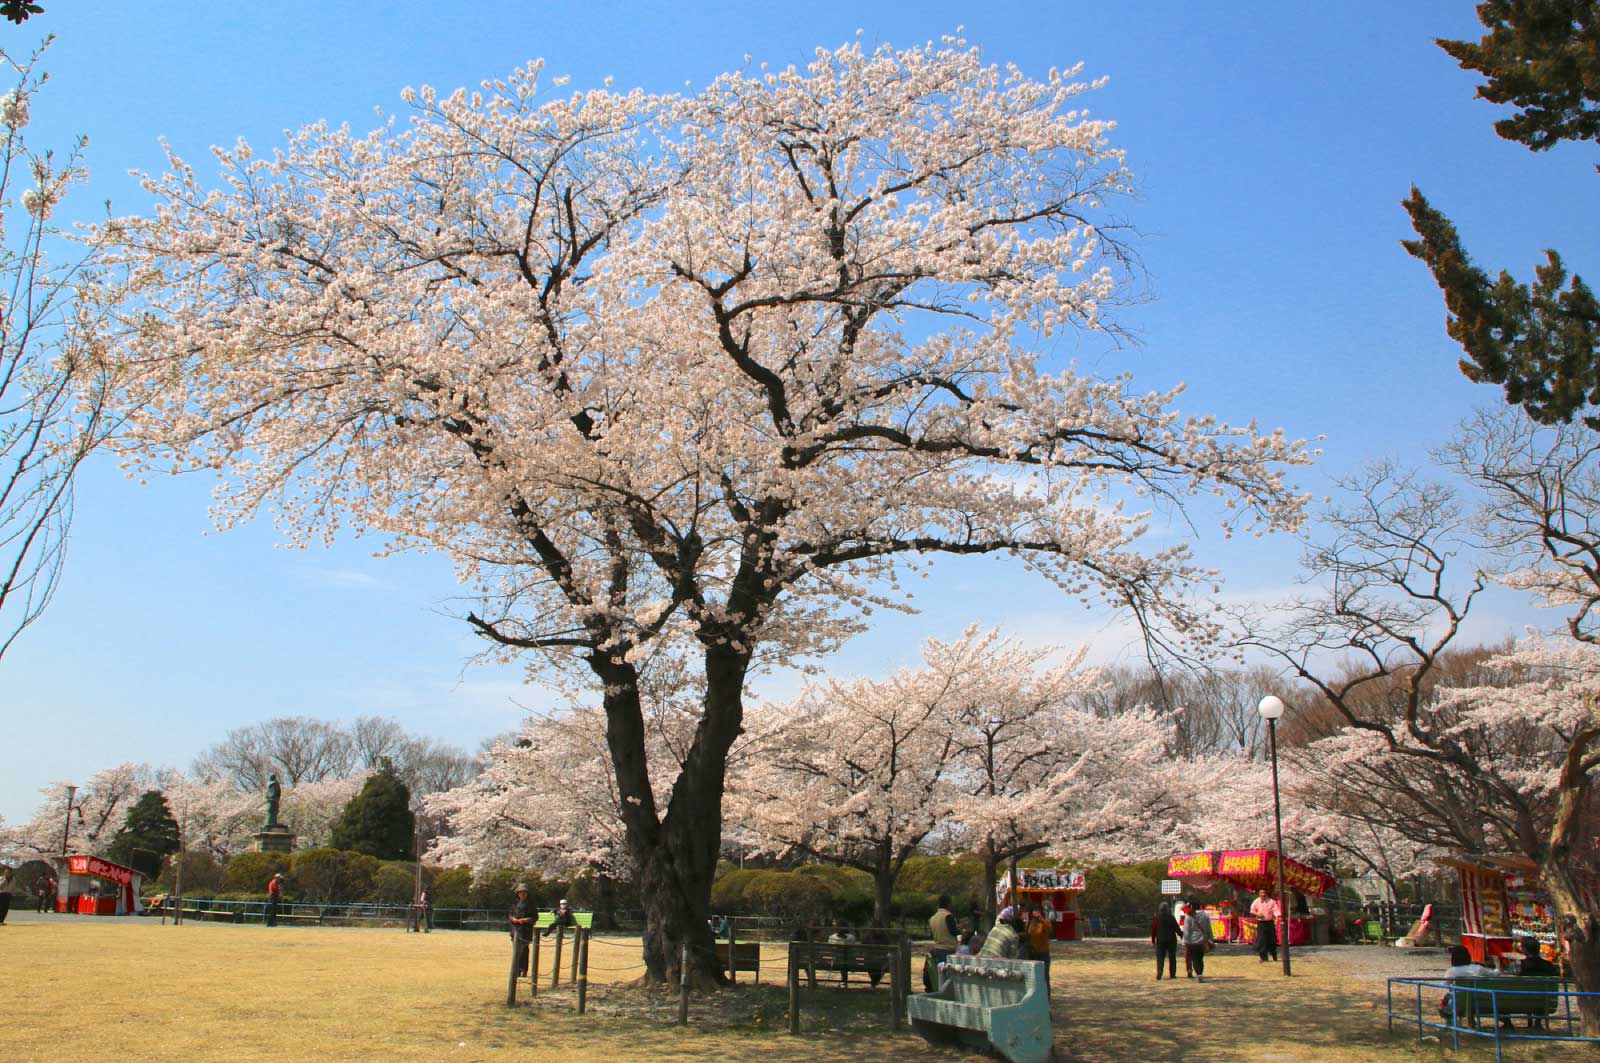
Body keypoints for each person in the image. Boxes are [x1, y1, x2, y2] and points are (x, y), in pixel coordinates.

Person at [1438, 944, 1496, 1023]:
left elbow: (1444, 985)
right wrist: (1498, 966)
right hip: (1483, 1001)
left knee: (1449, 997)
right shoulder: (1478, 968)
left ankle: (1449, 1019)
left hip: (1460, 1002)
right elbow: (1496, 974)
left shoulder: (1452, 971)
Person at [1179, 900, 1214, 981]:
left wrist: (1184, 942)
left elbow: (1187, 931)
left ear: (1191, 907)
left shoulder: (1189, 916)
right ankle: (1200, 973)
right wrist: (1211, 939)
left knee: (1195, 958)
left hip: (1192, 941)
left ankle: (1198, 974)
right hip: (1202, 941)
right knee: (1200, 958)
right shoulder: (1205, 915)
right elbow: (1209, 928)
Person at [509, 884, 535, 976]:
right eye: (521, 893)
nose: (523, 895)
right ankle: (516, 969)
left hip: (525, 930)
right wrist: (513, 919)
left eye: (524, 893)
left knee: (524, 950)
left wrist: (526, 920)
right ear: (518, 894)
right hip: (515, 930)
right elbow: (510, 915)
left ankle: (524, 970)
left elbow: (534, 917)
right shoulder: (514, 904)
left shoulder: (531, 905)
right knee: (516, 950)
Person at [1250, 887, 1281, 963]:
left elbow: (1276, 912)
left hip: (1270, 923)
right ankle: (1264, 958)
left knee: (1272, 940)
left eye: (1264, 893)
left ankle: (1274, 956)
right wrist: (1257, 914)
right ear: (1259, 894)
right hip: (1261, 923)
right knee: (1262, 940)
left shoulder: (1271, 901)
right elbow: (1252, 911)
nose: (1263, 894)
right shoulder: (1256, 901)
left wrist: (1276, 920)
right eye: (1261, 893)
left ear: (1266, 893)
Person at [1151, 901, 1180, 980]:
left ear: (1159, 909)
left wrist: (1153, 940)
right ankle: (1172, 973)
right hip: (1171, 940)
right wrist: (1182, 936)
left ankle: (1160, 970)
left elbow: (1153, 930)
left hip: (1160, 940)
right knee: (1172, 957)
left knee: (1160, 957)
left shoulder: (1156, 918)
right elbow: (1177, 928)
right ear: (1168, 909)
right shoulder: (1171, 918)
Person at [930, 894, 960, 969]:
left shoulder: (933, 918)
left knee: (941, 975)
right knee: (948, 975)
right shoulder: (948, 916)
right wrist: (961, 929)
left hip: (937, 949)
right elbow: (953, 931)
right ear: (949, 904)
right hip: (948, 949)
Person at [1025, 908, 1053, 987]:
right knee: (1033, 975)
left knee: (1045, 975)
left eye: (1038, 912)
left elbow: (1049, 930)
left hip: (1043, 952)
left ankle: (1046, 995)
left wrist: (1042, 920)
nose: (1036, 914)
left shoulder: (1045, 922)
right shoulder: (1029, 923)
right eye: (1034, 912)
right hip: (1033, 952)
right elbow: (1027, 934)